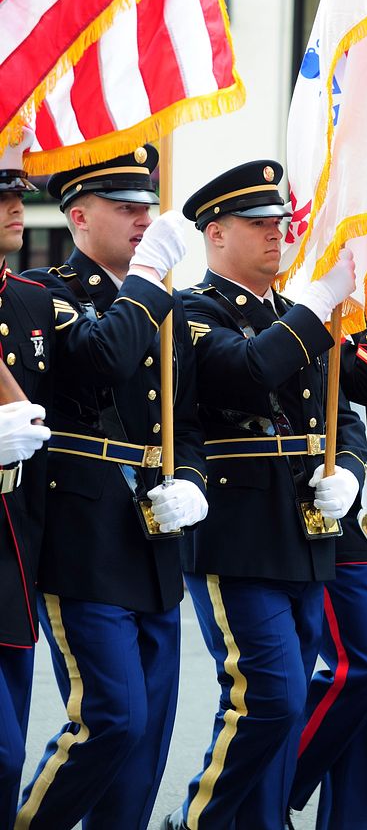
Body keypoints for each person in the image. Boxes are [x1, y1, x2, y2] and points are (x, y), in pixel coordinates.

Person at [164, 161, 367, 830]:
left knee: (281, 707)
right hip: (238, 532)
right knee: (269, 699)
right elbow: (245, 372)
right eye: (258, 225)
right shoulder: (192, 309)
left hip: (306, 533)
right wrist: (315, 307)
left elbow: (346, 416)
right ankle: (201, 819)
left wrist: (347, 470)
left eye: (279, 223)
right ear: (214, 234)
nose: (277, 235)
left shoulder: (293, 314)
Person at [16, 147, 208, 830]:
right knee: (111, 719)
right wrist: (150, 279)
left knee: (148, 734)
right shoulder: (49, 293)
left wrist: (190, 480)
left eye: (147, 208)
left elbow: (185, 421)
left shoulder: (166, 306)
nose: (143, 220)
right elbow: (99, 363)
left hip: (154, 537)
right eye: (126, 209)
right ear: (78, 216)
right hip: (86, 536)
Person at [288, 329, 367, 830]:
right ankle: (262, 787)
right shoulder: (325, 316)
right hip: (332, 517)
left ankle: (352, 821)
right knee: (359, 671)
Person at [0, 125, 53, 827]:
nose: (17, 205)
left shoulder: (30, 302)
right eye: (2, 196)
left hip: (17, 558)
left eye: (18, 192)